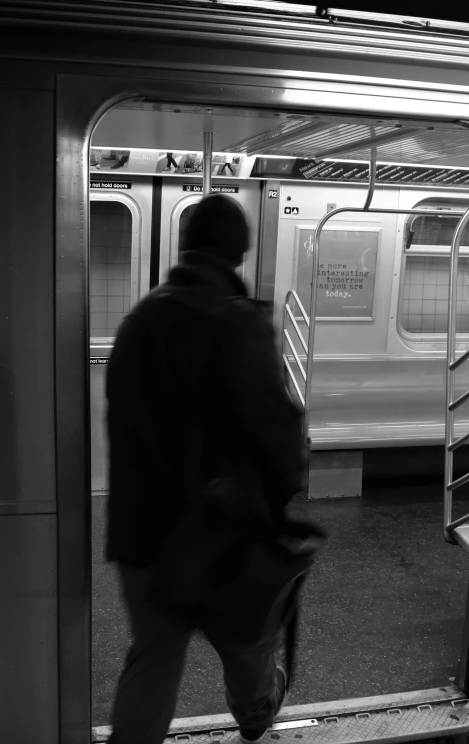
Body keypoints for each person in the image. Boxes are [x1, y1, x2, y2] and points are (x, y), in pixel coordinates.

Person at [105, 194, 309, 744]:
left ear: (184, 243)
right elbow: (275, 427)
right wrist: (284, 493)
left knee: (154, 658)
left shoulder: (137, 323)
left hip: (142, 533)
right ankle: (255, 718)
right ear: (238, 250)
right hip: (224, 533)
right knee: (247, 639)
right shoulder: (237, 323)